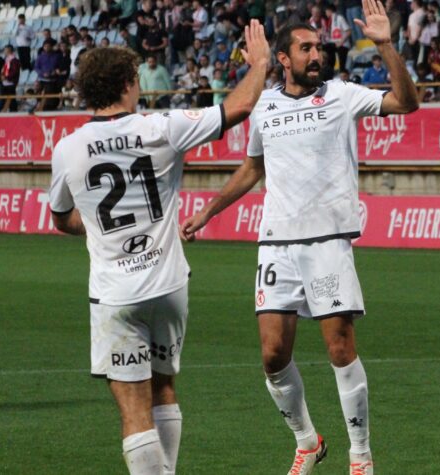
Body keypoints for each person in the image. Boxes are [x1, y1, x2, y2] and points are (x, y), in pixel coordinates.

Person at [180, 1, 419, 473]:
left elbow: (406, 102)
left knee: (339, 348)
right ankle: (308, 442)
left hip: (328, 239)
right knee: (272, 354)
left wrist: (386, 46)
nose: (317, 54)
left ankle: (360, 456)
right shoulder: (265, 104)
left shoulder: (343, 93)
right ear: (283, 60)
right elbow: (253, 167)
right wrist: (208, 210)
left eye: (319, 47)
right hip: (276, 241)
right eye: (306, 48)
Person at [48, 20, 270, 475]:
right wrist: (261, 62)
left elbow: (60, 218)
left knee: (133, 410)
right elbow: (240, 105)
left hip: (115, 294)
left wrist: (95, 225)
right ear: (130, 84)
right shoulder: (162, 127)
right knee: (164, 389)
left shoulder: (67, 149)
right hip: (169, 285)